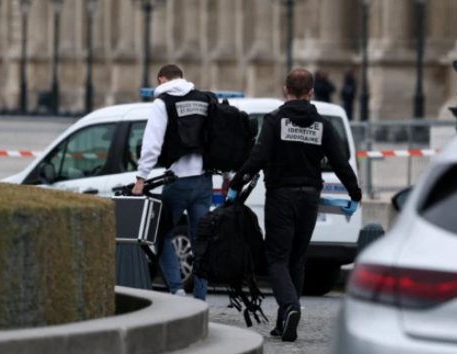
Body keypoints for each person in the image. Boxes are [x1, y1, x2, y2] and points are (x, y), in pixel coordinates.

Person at [226, 68, 362, 341]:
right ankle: (284, 322)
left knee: (276, 258)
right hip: (310, 199)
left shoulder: (276, 120)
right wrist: (355, 194)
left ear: (285, 90)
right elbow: (339, 162)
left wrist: (235, 185)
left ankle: (290, 307)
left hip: (281, 197)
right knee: (297, 260)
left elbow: (258, 158)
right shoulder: (322, 124)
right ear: (311, 93)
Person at [133, 64, 212, 300]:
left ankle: (176, 290)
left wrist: (141, 178)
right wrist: (226, 176)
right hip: (204, 181)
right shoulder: (205, 99)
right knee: (201, 241)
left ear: (161, 80)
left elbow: (152, 143)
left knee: (161, 234)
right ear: (182, 77)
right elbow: (217, 138)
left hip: (178, 181)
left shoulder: (163, 103)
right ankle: (200, 298)